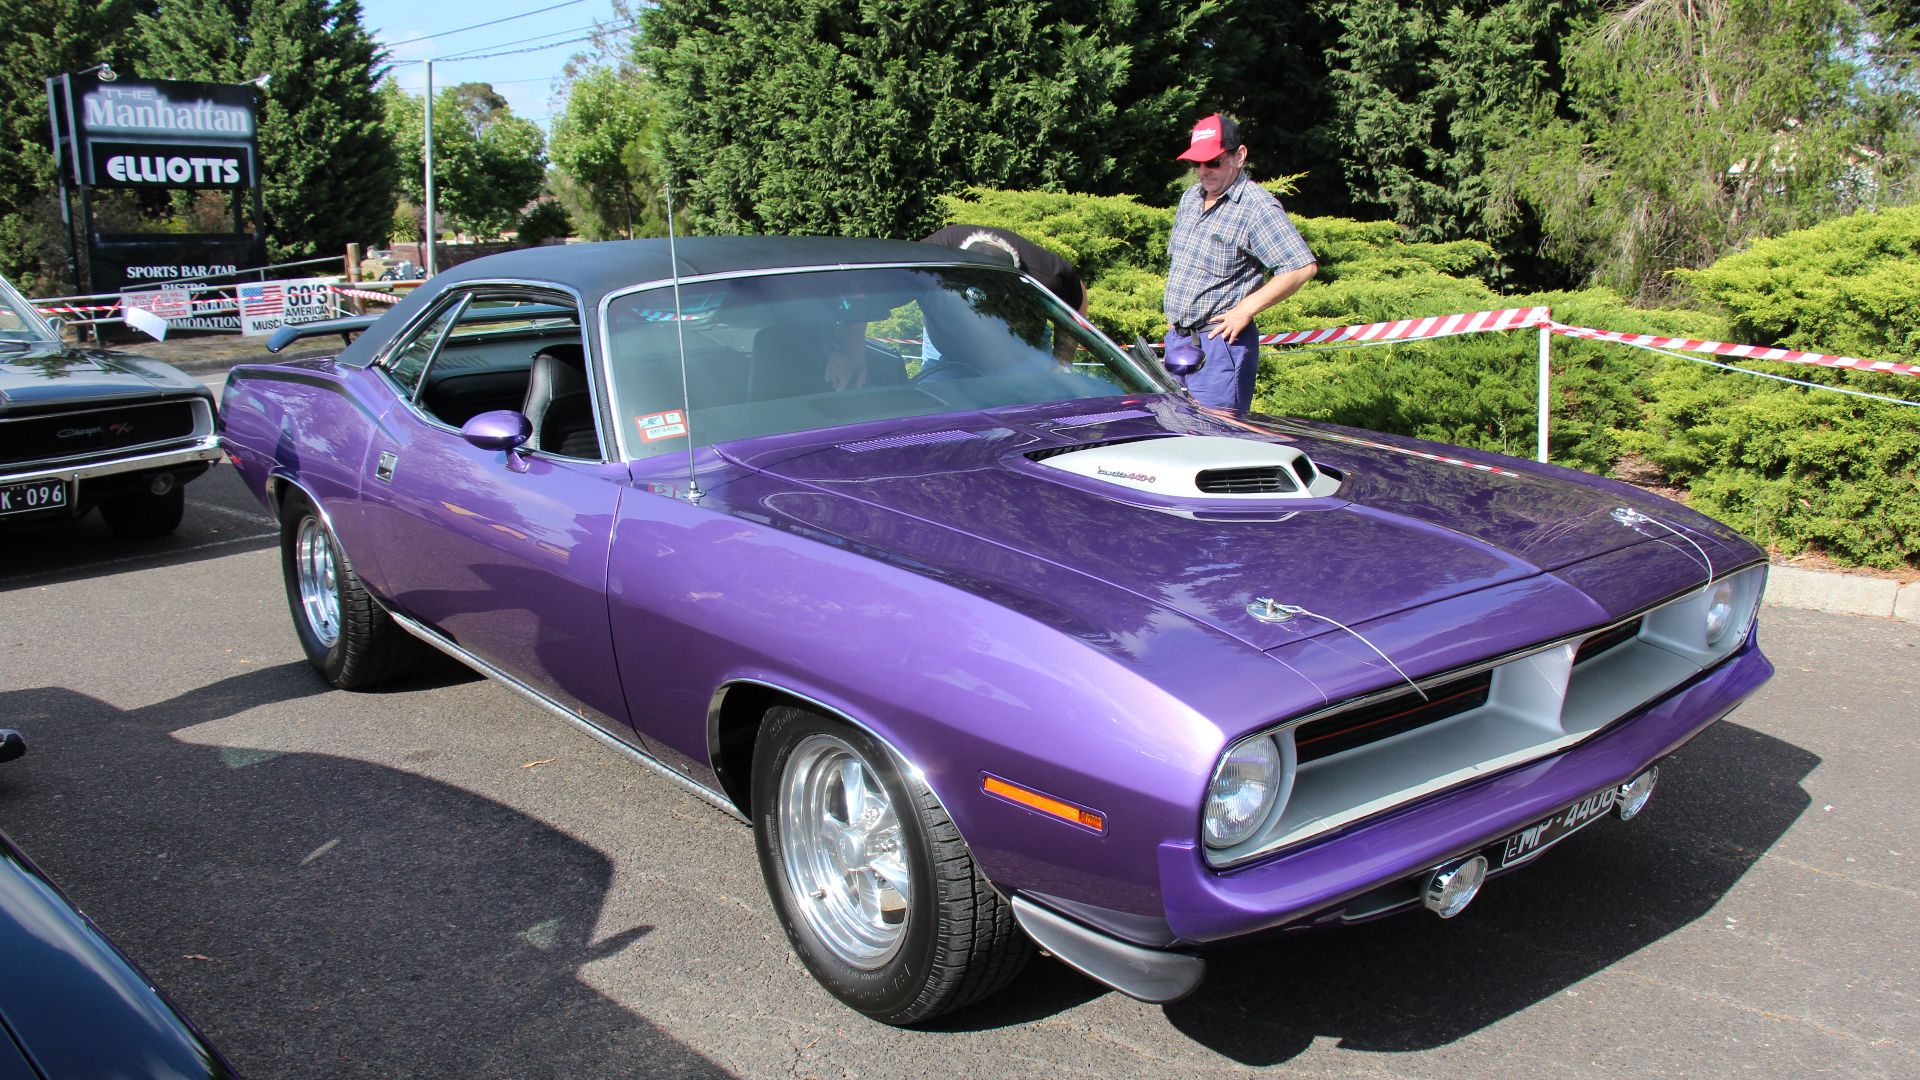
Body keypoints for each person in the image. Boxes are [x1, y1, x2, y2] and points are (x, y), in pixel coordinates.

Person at [1163, 113, 1317, 411]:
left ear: (1239, 156)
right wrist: (1177, 318)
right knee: (1175, 436)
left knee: (1215, 441)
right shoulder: (1190, 199)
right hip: (1178, 341)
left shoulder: (1257, 208)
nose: (1203, 172)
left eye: (1214, 162)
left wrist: (1245, 309)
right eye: (1197, 163)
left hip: (1220, 345)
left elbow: (1301, 267)